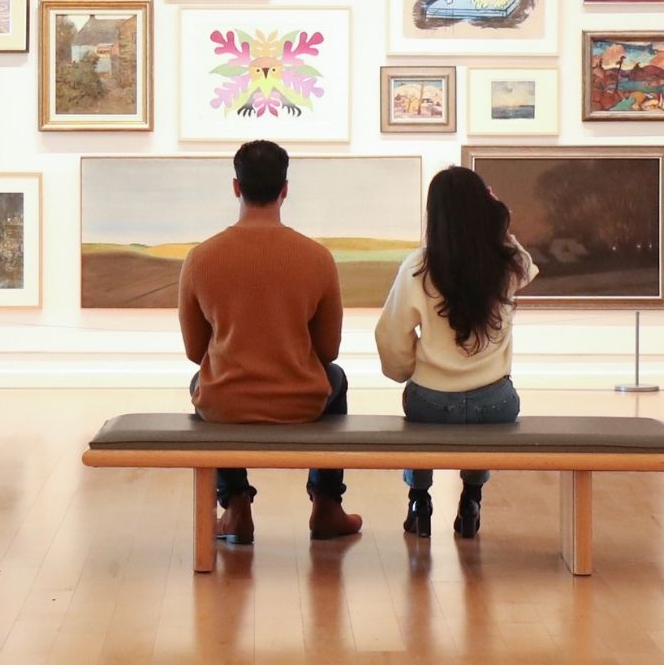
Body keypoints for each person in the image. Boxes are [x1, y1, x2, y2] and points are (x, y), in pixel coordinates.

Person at [179, 140, 362, 545]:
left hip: (225, 402)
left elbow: (196, 352)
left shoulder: (200, 258)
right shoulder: (317, 258)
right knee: (338, 377)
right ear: (285, 189)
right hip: (301, 402)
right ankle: (327, 506)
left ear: (235, 187)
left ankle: (236, 505)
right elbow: (328, 351)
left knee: (198, 384)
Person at [375, 166, 537, 539]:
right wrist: (499, 220)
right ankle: (472, 498)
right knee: (485, 424)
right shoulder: (505, 264)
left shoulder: (418, 266)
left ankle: (419, 499)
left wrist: (405, 370)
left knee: (417, 422)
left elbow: (390, 335)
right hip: (495, 402)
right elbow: (526, 263)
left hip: (430, 402)